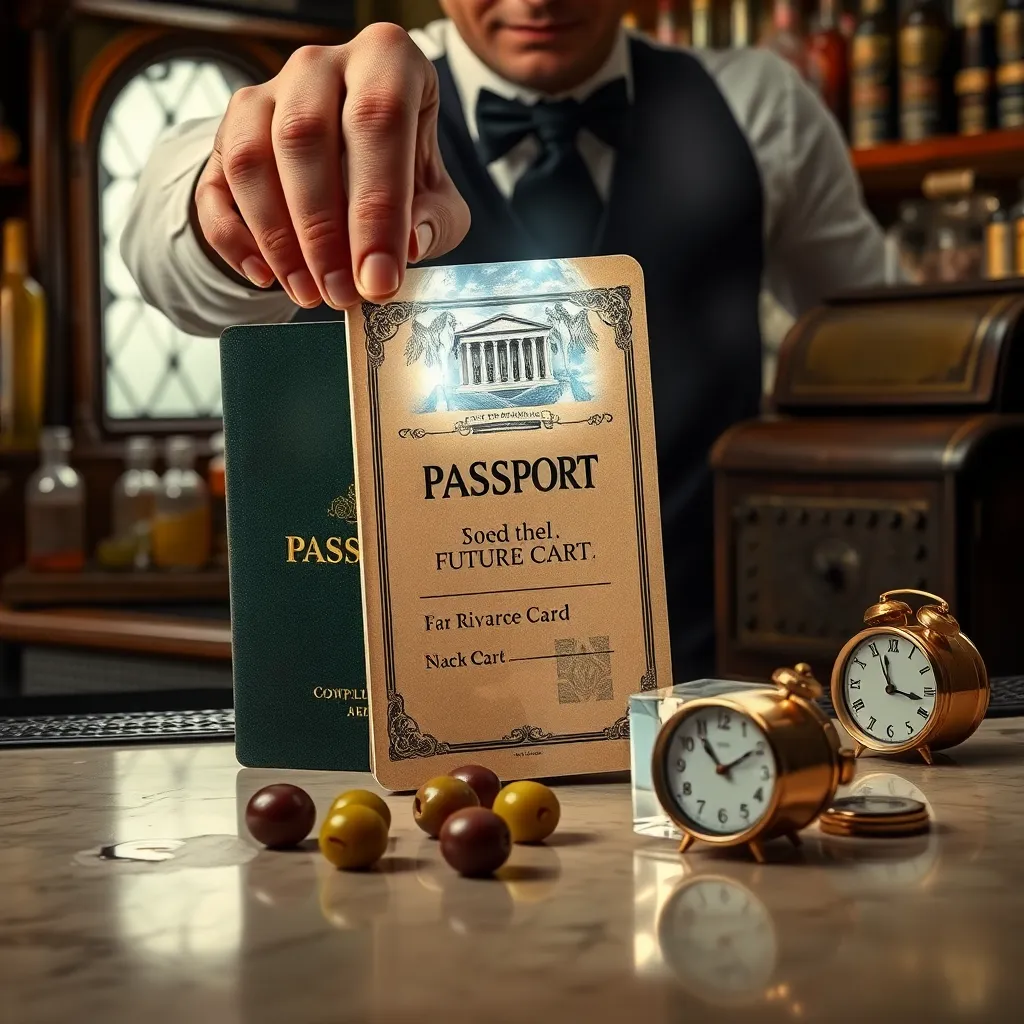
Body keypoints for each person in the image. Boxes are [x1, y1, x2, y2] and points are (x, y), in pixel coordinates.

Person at [122, 0, 885, 681]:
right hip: (410, 689)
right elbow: (163, 245)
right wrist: (224, 207)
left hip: (702, 686)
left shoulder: (757, 102)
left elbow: (877, 338)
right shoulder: (348, 102)